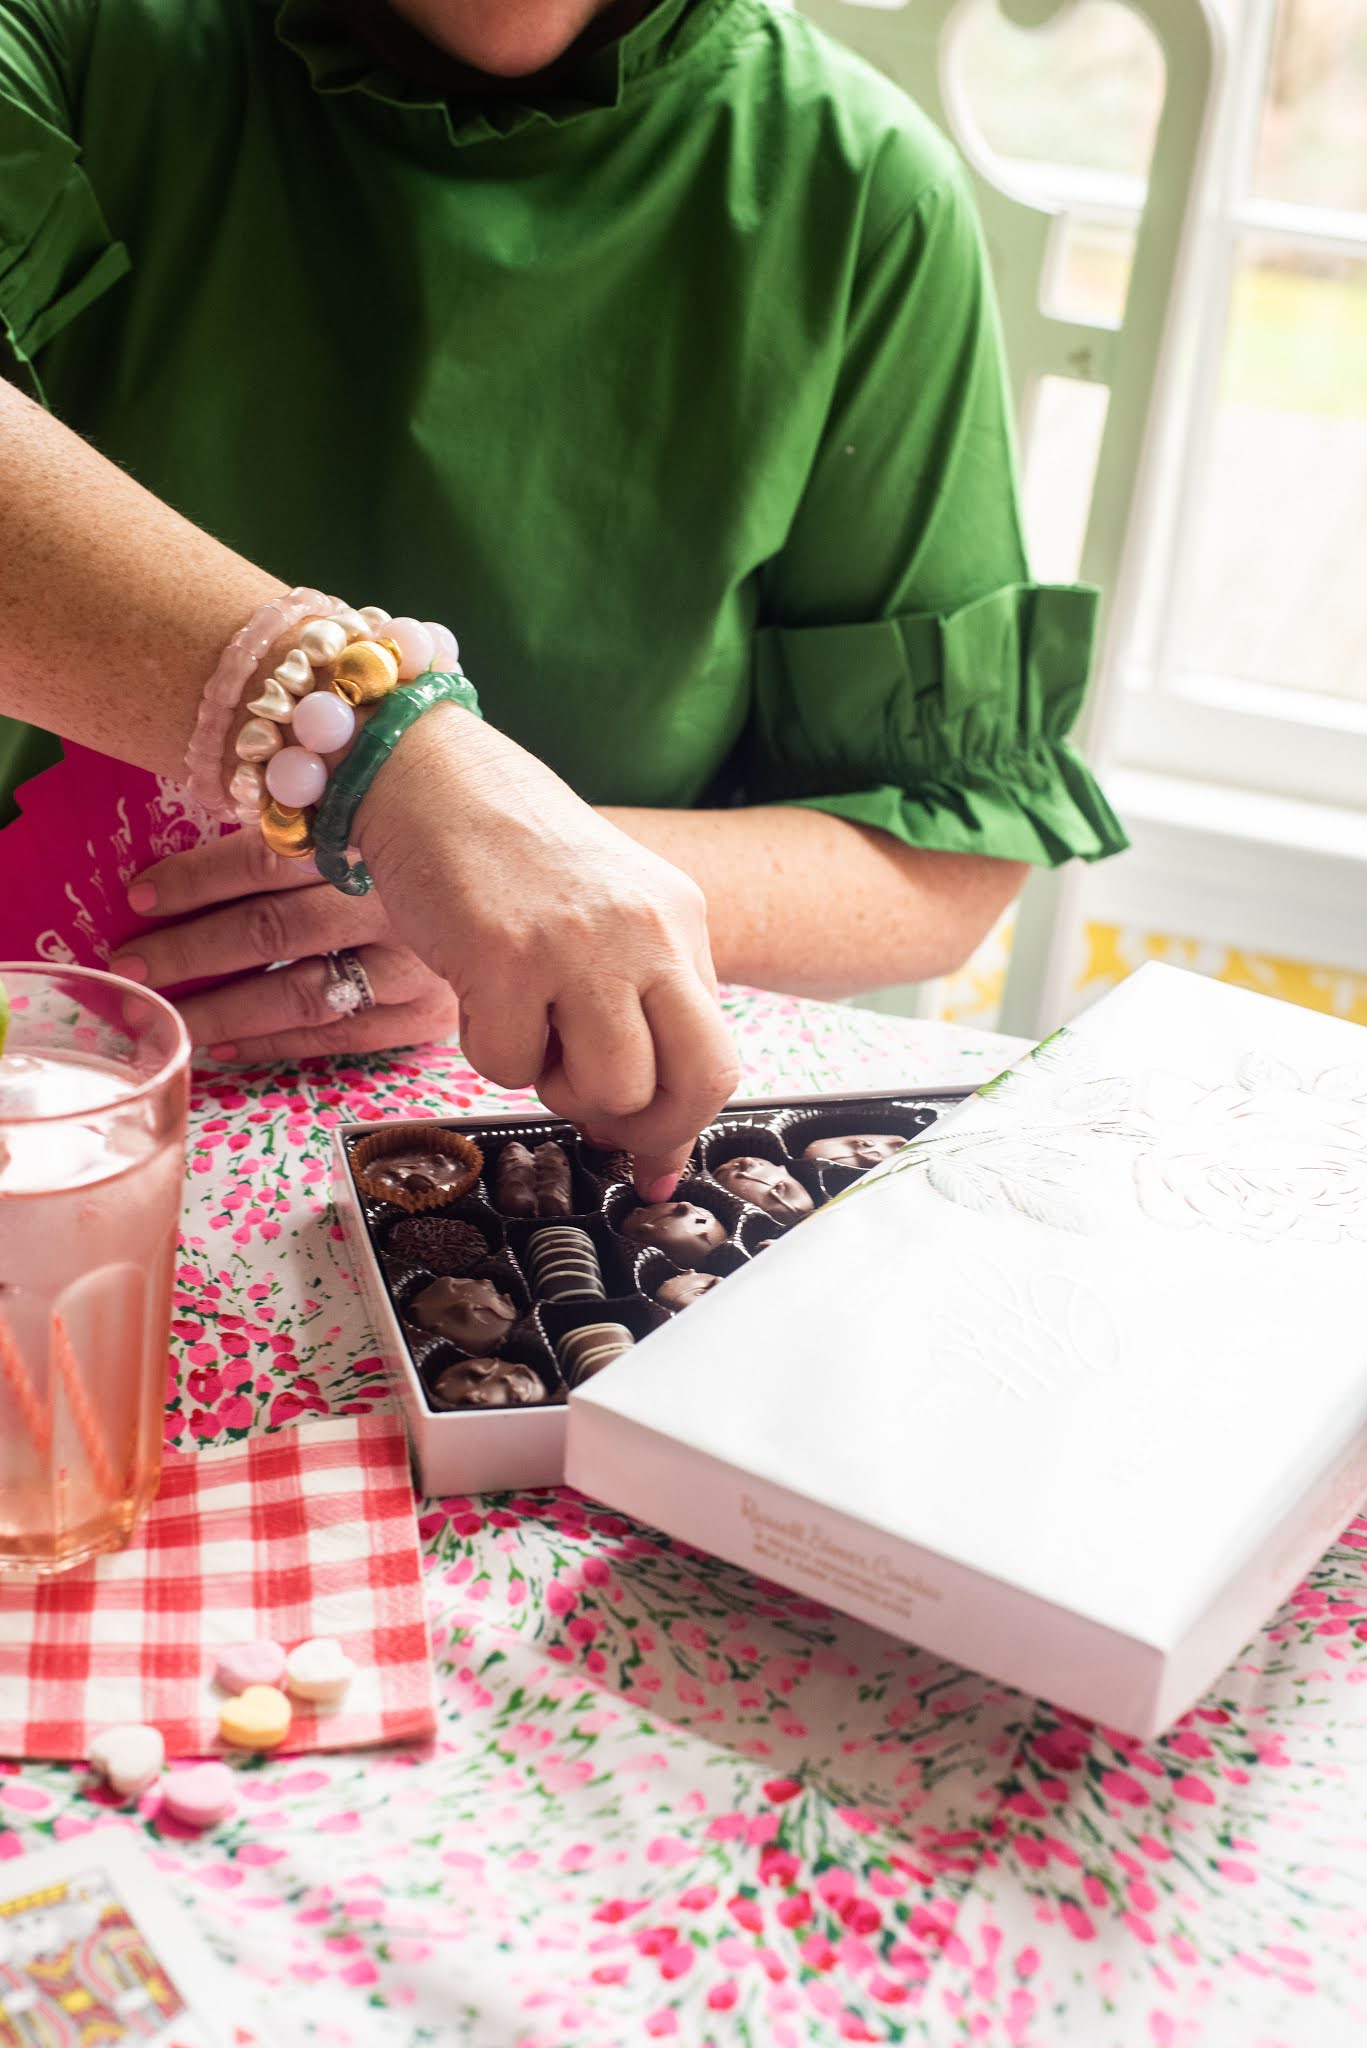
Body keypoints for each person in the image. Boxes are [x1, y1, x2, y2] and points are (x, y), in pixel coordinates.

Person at [0, 0, 1125, 1188]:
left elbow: (937, 860)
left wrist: (516, 887)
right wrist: (388, 764)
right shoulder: (70, 30)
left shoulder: (856, 187)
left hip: (520, 1151)